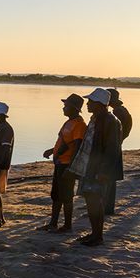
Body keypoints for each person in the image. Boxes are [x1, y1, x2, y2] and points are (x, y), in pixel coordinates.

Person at [69, 88, 123, 246]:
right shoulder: (96, 118)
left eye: (90, 101)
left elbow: (112, 149)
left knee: (96, 202)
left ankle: (98, 236)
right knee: (90, 201)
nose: (87, 104)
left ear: (99, 103)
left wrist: (104, 171)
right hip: (90, 167)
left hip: (98, 170)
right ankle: (94, 233)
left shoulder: (110, 121)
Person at [37, 94, 85, 232]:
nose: (63, 108)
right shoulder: (68, 122)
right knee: (56, 194)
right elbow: (65, 141)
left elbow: (77, 147)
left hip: (67, 165)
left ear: (74, 108)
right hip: (60, 163)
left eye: (66, 106)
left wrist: (71, 167)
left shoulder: (79, 125)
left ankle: (67, 225)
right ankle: (53, 223)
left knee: (67, 196)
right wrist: (52, 151)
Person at [105, 88, 132, 215]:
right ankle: (107, 206)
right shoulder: (122, 110)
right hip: (117, 145)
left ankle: (107, 207)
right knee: (110, 178)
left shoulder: (117, 112)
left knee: (108, 178)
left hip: (114, 147)